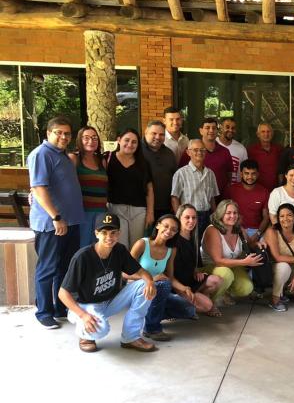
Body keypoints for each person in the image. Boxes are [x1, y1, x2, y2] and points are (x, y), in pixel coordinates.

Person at [58, 212, 157, 353]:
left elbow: (141, 272)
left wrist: (150, 282)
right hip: (87, 304)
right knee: (101, 330)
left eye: (113, 232)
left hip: (110, 300)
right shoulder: (83, 257)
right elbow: (63, 293)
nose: (109, 237)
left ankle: (131, 337)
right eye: (104, 232)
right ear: (96, 234)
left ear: (119, 234)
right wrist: (83, 315)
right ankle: (84, 333)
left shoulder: (120, 250)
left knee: (144, 285)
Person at [28, 115, 83, 329]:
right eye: (58, 132)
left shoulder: (64, 156)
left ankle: (61, 307)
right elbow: (39, 188)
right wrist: (56, 217)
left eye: (67, 133)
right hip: (53, 224)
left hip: (71, 222)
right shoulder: (41, 154)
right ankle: (44, 312)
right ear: (48, 133)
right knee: (47, 268)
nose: (63, 136)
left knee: (65, 267)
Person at [130, 214, 197, 342]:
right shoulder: (142, 244)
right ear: (157, 225)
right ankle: (152, 329)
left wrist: (185, 288)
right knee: (163, 284)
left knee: (190, 309)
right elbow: (124, 273)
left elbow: (170, 278)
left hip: (157, 291)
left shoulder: (171, 250)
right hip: (138, 288)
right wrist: (151, 279)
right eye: (166, 226)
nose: (169, 231)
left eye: (173, 229)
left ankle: (148, 316)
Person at [201, 200, 267, 305]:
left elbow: (249, 243)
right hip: (212, 267)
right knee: (226, 274)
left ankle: (225, 291)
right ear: (221, 214)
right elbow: (218, 261)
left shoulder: (238, 229)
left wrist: (257, 244)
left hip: (232, 265)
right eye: (228, 213)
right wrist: (244, 262)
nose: (233, 216)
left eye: (235, 213)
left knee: (247, 288)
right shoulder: (213, 230)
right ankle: (209, 301)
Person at [106, 128, 155, 249]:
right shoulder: (108, 159)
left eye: (134, 142)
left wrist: (150, 212)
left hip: (139, 211)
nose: (130, 144)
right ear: (119, 140)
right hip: (117, 209)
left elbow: (150, 189)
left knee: (136, 246)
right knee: (120, 245)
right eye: (126, 140)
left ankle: (133, 268)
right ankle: (121, 268)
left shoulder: (143, 163)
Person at [173, 204, 223, 317]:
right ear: (179, 218)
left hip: (190, 281)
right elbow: (169, 271)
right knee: (207, 306)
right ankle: (174, 305)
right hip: (177, 285)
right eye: (187, 217)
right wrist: (180, 289)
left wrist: (196, 272)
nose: (191, 221)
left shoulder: (194, 237)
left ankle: (196, 300)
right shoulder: (174, 240)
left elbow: (191, 263)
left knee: (217, 280)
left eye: (194, 217)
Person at [68, 125, 108, 248]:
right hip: (82, 212)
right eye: (86, 138)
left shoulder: (101, 160)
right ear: (79, 140)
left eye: (94, 138)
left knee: (99, 246)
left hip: (101, 211)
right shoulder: (73, 158)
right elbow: (64, 182)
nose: (91, 141)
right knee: (83, 246)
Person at [267, 203, 294, 310]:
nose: (285, 218)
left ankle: (282, 292)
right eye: (282, 216)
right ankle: (275, 300)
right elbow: (277, 257)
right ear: (278, 218)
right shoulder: (272, 231)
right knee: (284, 267)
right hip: (272, 269)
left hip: (289, 269)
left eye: (289, 215)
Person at [171, 139, 219, 238]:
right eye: (195, 150)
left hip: (207, 216)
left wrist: (214, 217)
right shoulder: (181, 173)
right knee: (191, 244)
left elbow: (212, 199)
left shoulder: (210, 173)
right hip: (190, 217)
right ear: (188, 152)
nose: (199, 153)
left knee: (206, 244)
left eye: (202, 150)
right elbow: (174, 198)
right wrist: (179, 218)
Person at [178, 118, 232, 198]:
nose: (211, 130)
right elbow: (181, 175)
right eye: (207, 128)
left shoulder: (225, 152)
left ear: (217, 131)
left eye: (214, 128)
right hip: (195, 200)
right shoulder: (191, 151)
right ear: (201, 131)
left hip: (221, 199)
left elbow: (229, 175)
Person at [224, 159, 270, 245]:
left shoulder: (264, 192)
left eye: (253, 174)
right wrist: (239, 230)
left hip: (256, 231)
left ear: (258, 174)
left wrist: (258, 234)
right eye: (246, 173)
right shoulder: (231, 190)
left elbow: (266, 217)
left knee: (262, 251)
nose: (250, 177)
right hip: (235, 230)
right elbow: (224, 214)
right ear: (241, 174)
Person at [141, 120, 177, 220]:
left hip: (166, 208)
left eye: (161, 134)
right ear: (146, 132)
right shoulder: (137, 151)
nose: (158, 137)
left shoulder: (169, 153)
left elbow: (175, 179)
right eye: (154, 133)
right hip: (142, 209)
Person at [247, 122, 282, 193]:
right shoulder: (251, 150)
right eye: (263, 132)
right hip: (257, 190)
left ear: (272, 134)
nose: (266, 134)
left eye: (268, 131)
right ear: (258, 134)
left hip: (276, 190)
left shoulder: (279, 149)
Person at [218, 117, 248, 183]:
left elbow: (245, 172)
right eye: (227, 127)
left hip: (234, 189)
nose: (230, 130)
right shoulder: (214, 144)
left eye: (233, 128)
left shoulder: (241, 149)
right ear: (221, 127)